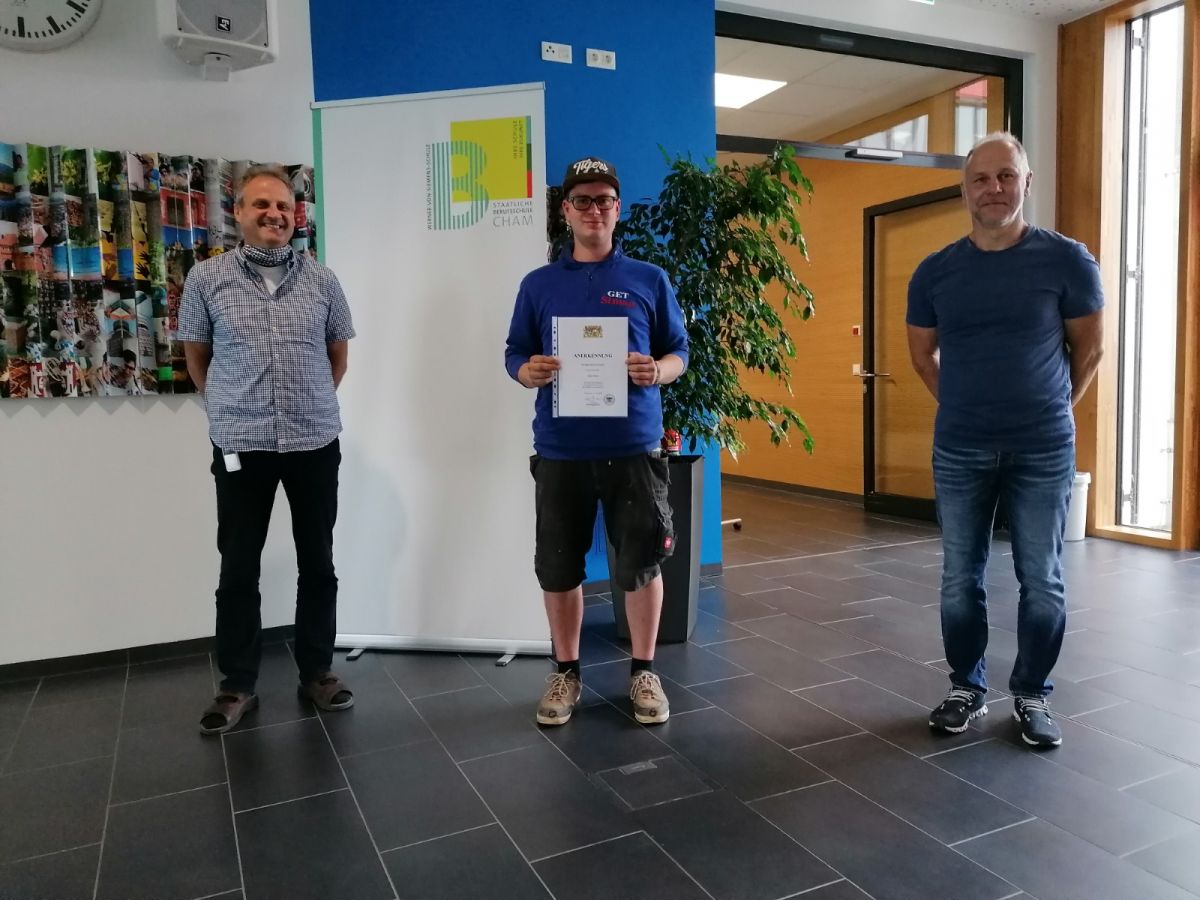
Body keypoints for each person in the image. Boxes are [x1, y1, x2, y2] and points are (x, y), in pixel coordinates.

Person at [907, 133, 1104, 748]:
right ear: (964, 190)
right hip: (960, 447)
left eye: (1006, 176)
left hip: (1043, 448)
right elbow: (922, 355)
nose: (994, 188)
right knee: (958, 579)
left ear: (1027, 182)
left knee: (1041, 579)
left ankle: (1031, 695)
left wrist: (1054, 407)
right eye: (981, 179)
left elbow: (1090, 350)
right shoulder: (936, 271)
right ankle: (966, 688)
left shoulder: (1067, 260)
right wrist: (962, 406)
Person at [505, 156, 688, 727]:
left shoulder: (649, 279)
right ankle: (566, 672)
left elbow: (679, 352)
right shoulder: (538, 285)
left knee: (641, 564)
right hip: (561, 449)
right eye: (581, 200)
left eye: (603, 200)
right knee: (559, 567)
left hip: (634, 447)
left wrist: (657, 371)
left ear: (617, 209)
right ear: (566, 210)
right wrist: (527, 371)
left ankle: (644, 671)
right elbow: (515, 352)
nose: (593, 209)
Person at [179, 164, 356, 735]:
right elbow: (196, 355)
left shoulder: (322, 281)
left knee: (318, 561)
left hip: (312, 440)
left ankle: (317, 672)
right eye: (261, 205)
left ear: (293, 216)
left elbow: (337, 356)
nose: (274, 214)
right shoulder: (206, 279)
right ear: (239, 213)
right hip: (240, 442)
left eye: (283, 206)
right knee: (238, 564)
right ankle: (237, 684)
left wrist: (307, 400)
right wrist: (227, 406)